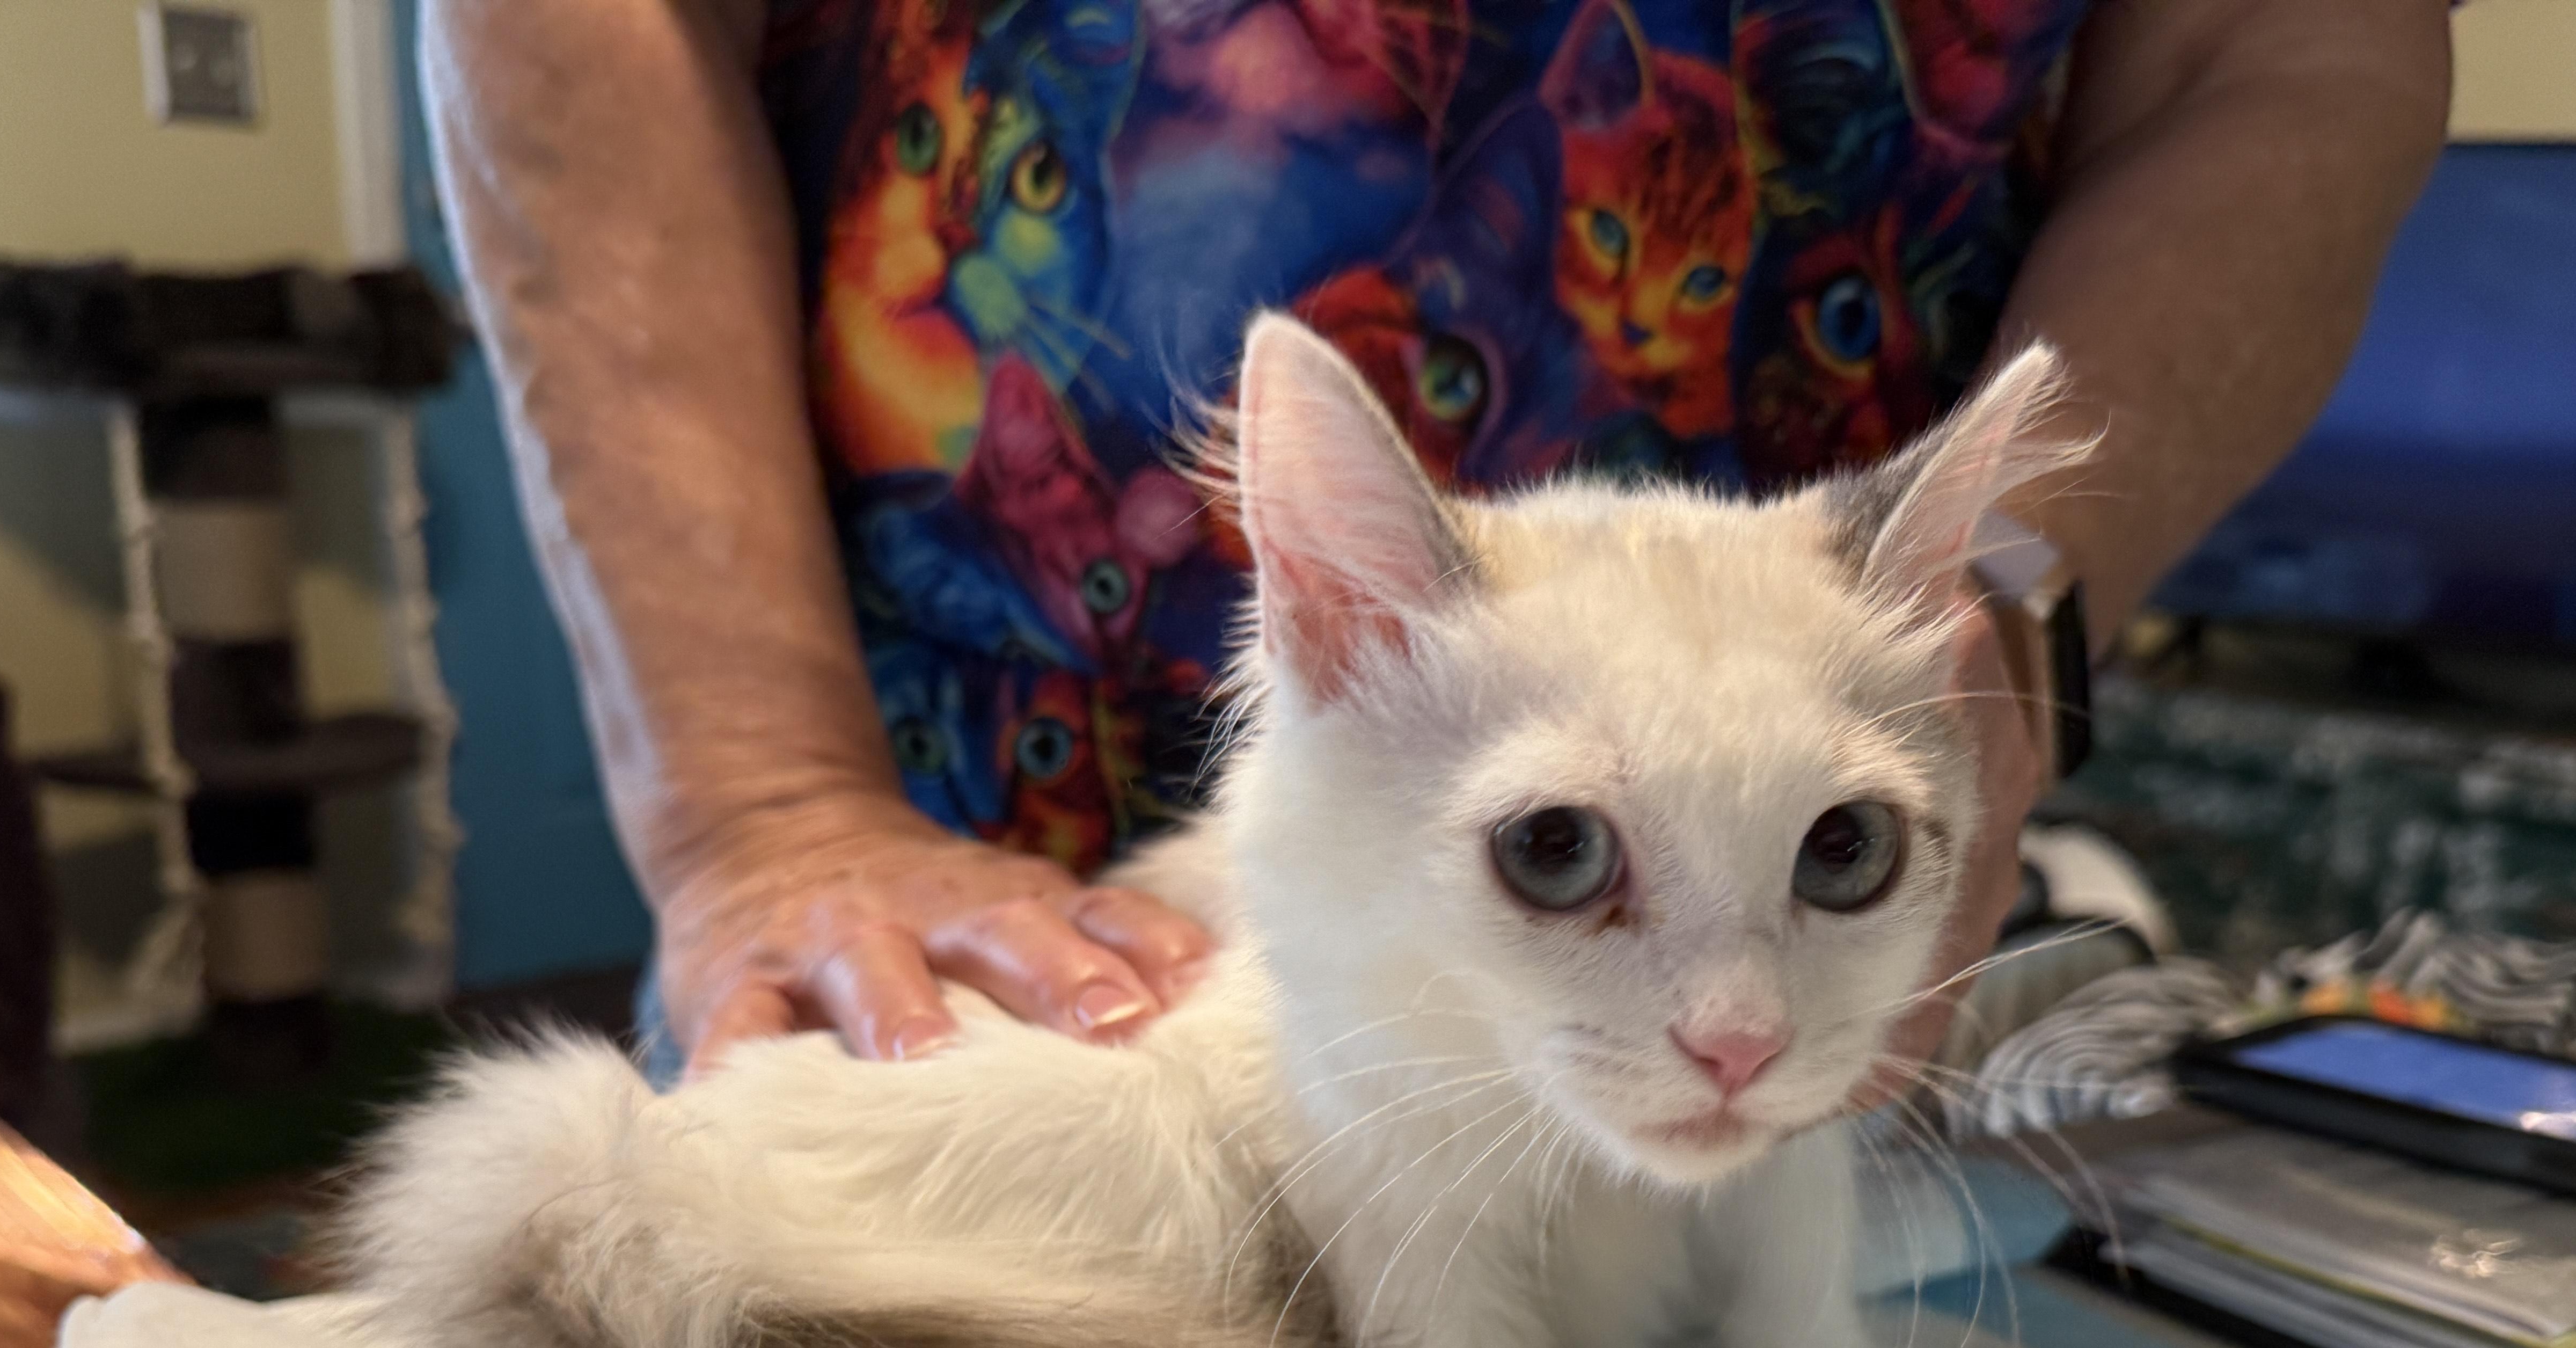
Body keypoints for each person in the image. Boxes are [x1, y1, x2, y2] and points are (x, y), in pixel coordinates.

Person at [427, 0, 2449, 1079]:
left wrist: (1996, 614)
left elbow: (2286, 48)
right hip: (947, 845)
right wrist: (762, 803)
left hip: (1849, 680)